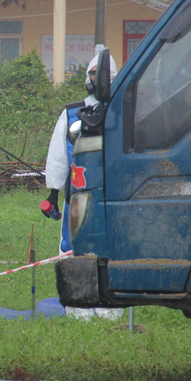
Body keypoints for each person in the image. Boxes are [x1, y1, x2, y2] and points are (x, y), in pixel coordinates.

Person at [43, 47, 122, 320]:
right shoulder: (72, 114)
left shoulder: (123, 112)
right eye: (94, 74)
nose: (98, 80)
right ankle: (77, 308)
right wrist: (53, 194)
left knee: (112, 249)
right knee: (72, 247)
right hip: (77, 195)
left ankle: (112, 311)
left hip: (113, 195)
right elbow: (57, 157)